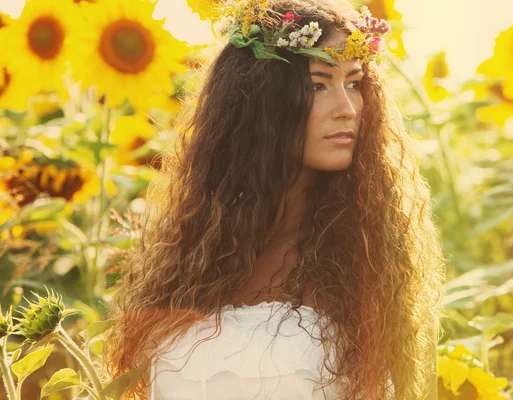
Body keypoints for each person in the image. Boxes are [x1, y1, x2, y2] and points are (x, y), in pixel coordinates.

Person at [103, 0, 446, 399]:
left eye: (354, 83)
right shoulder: (190, 254)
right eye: (317, 85)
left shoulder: (365, 256)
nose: (348, 108)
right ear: (261, 102)